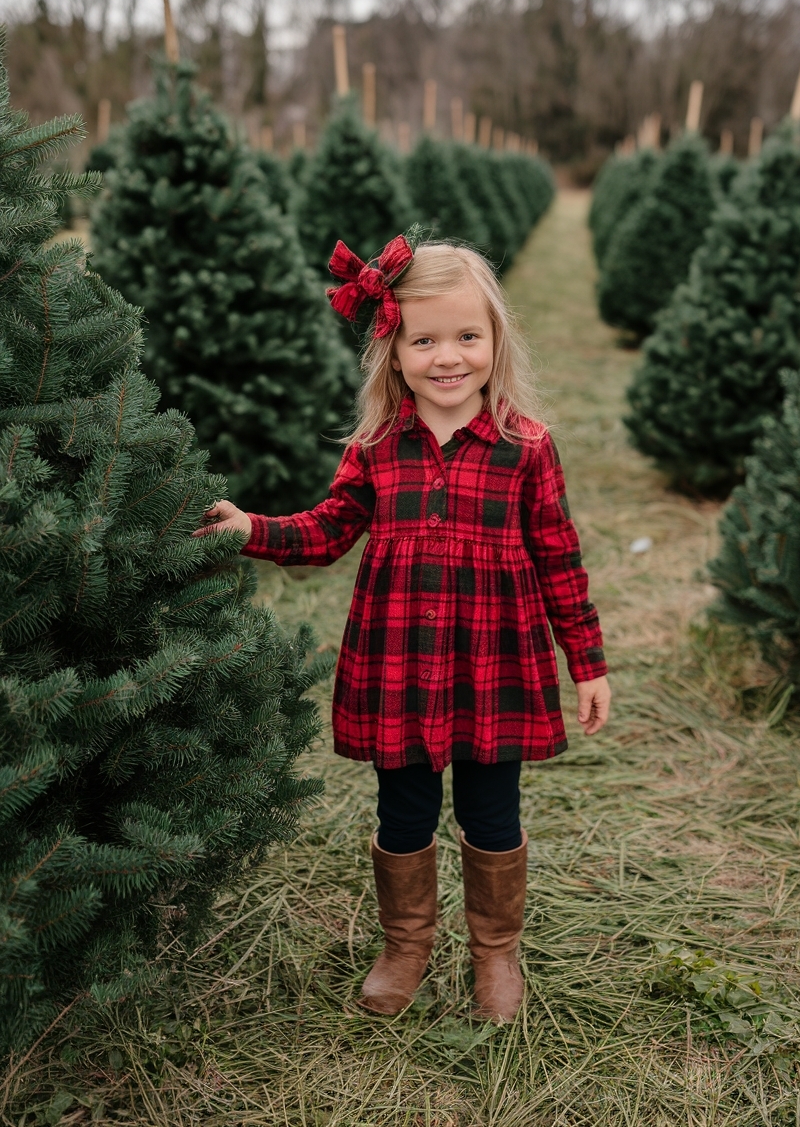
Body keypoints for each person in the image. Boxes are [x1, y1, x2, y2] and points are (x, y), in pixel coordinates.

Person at [193, 234, 610, 1022]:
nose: (447, 357)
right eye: (424, 341)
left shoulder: (525, 447)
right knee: (405, 811)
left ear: (496, 340)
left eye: (467, 336)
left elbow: (560, 558)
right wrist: (252, 528)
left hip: (493, 667)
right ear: (393, 351)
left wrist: (586, 662)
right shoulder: (378, 448)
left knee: (492, 813)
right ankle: (406, 946)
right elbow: (326, 531)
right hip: (400, 667)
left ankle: (495, 953)